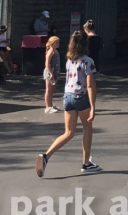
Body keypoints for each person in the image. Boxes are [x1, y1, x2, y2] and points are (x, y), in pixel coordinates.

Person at [36, 31, 100, 177]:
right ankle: (86, 163)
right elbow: (90, 86)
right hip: (81, 97)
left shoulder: (69, 60)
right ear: (85, 44)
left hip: (68, 97)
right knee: (87, 129)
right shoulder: (88, 61)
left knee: (69, 132)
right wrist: (93, 107)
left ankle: (46, 156)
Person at [43, 36, 61, 113]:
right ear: (52, 43)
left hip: (55, 72)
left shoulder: (56, 51)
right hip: (50, 72)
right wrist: (50, 73)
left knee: (52, 90)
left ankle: (51, 104)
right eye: (57, 42)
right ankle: (48, 107)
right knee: (49, 90)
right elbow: (47, 64)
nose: (58, 44)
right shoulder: (50, 52)